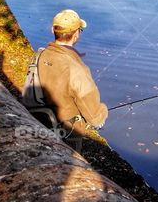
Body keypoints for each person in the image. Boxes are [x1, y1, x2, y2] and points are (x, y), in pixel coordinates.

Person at [37, 9, 108, 153]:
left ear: (53, 30)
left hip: (38, 120)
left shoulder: (40, 55)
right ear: (76, 34)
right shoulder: (76, 68)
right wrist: (103, 112)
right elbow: (94, 117)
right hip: (67, 131)